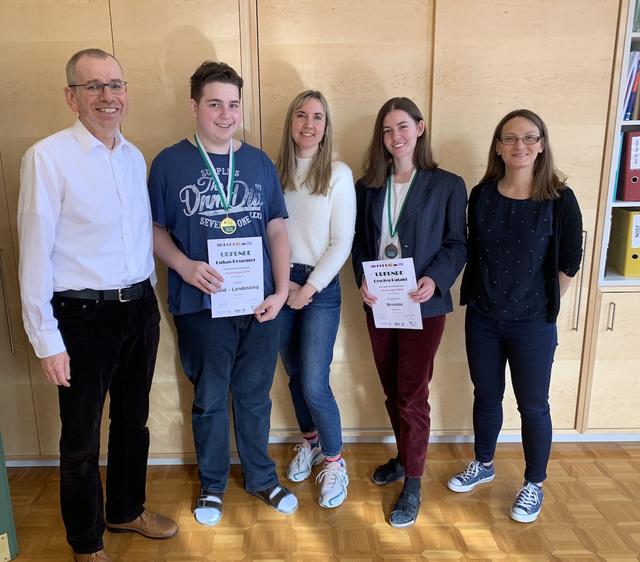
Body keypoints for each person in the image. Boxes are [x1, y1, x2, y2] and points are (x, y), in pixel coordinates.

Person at [17, 48, 177, 562]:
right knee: (81, 439)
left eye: (115, 85)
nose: (107, 97)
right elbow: (34, 252)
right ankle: (86, 543)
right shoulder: (47, 158)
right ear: (72, 97)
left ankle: (126, 510)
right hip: (82, 318)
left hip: (138, 309)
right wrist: (46, 338)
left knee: (134, 422)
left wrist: (150, 299)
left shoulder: (133, 157)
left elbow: (136, 236)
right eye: (93, 87)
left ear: (126, 94)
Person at [148, 61, 296, 526]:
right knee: (210, 398)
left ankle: (260, 477)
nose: (225, 113)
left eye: (233, 104)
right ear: (195, 106)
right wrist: (185, 266)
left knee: (255, 396)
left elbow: (276, 227)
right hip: (200, 305)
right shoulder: (169, 163)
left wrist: (283, 287)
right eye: (214, 103)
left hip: (258, 304)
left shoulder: (257, 162)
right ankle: (212, 486)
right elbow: (152, 230)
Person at [447, 109, 583, 524]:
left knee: (533, 406)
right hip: (484, 319)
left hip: (533, 325)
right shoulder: (482, 194)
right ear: (499, 147)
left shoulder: (561, 200)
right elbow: (470, 249)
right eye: (510, 138)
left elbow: (569, 264)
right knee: (485, 397)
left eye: (528, 137)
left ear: (541, 144)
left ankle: (533, 483)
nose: (519, 145)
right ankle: (484, 463)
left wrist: (541, 308)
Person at [352, 97, 467, 527]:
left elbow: (457, 243)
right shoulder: (369, 186)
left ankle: (414, 482)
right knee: (391, 388)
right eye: (387, 130)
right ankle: (404, 457)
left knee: (413, 393)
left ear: (420, 128)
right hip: (381, 301)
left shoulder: (447, 184)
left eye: (402, 127)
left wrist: (435, 278)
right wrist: (362, 277)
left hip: (423, 302)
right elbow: (360, 242)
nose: (395, 137)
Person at [275, 90, 356, 508]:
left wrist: (306, 289)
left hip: (319, 288)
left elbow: (342, 243)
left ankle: (336, 461)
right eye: (302, 116)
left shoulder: (338, 174)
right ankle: (309, 442)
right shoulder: (274, 173)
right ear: (291, 123)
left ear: (326, 127)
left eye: (318, 117)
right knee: (291, 374)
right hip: (280, 281)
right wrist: (283, 285)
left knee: (313, 380)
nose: (309, 124)